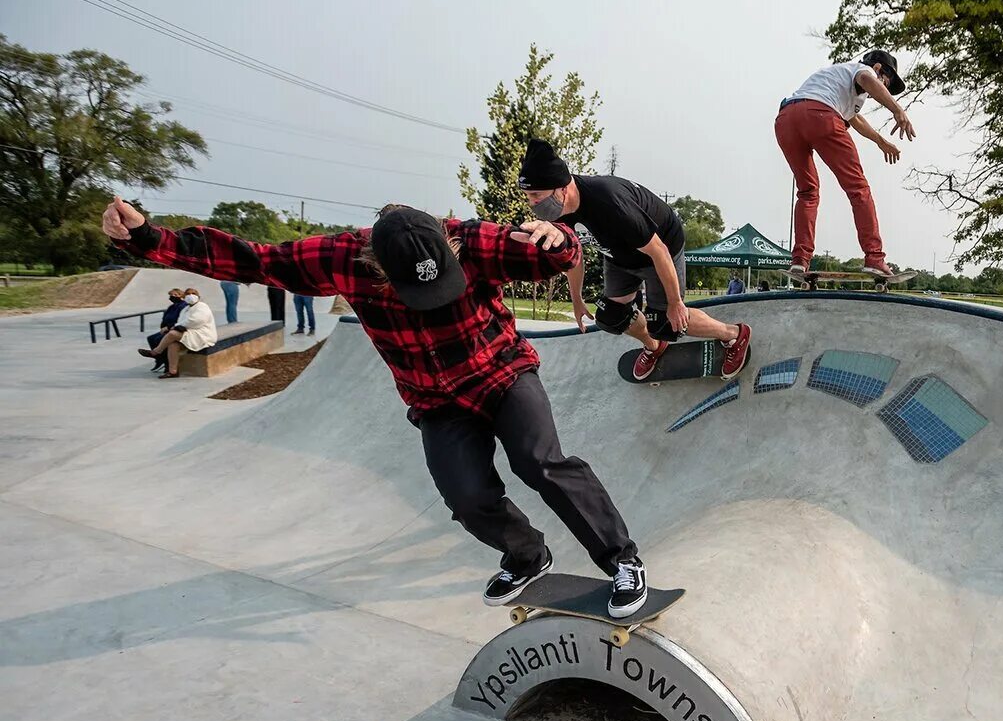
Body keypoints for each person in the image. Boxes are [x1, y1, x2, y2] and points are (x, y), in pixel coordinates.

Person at [101, 197, 654, 617]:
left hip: (502, 372)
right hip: (436, 399)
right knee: (466, 497)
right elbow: (252, 259)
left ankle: (621, 558)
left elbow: (554, 256)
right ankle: (527, 555)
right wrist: (149, 238)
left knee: (540, 461)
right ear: (374, 262)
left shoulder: (474, 240)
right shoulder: (341, 258)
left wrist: (558, 239)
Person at [518, 139, 752, 383]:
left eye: (536, 195)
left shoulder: (609, 203)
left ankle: (734, 334)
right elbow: (575, 257)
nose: (533, 204)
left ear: (562, 188)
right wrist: (577, 300)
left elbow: (659, 251)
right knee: (611, 317)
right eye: (528, 197)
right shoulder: (559, 212)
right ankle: (654, 346)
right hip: (619, 256)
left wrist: (674, 303)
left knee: (668, 322)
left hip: (659, 250)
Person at [775, 50, 915, 280]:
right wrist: (898, 110)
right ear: (879, 68)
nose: (880, 91)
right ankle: (875, 258)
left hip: (786, 120)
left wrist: (881, 142)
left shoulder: (838, 81)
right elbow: (868, 80)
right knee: (858, 189)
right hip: (820, 116)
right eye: (886, 83)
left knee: (808, 191)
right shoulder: (864, 71)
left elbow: (855, 119)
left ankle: (800, 261)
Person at [138, 287, 216, 378]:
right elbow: (180, 321)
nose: (191, 296)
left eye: (193, 294)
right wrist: (176, 326)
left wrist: (175, 327)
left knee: (172, 334)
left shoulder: (202, 306)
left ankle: (155, 352)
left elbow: (196, 321)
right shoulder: (186, 309)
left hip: (201, 335)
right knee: (173, 344)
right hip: (190, 333)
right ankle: (173, 371)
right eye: (188, 294)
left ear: (198, 296)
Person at [144, 287, 187, 371]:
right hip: (167, 329)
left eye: (175, 295)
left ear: (181, 295)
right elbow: (164, 319)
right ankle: (159, 360)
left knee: (158, 340)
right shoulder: (171, 307)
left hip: (176, 329)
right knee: (151, 338)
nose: (172, 296)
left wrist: (169, 327)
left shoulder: (183, 306)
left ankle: (167, 363)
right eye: (171, 295)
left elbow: (180, 320)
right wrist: (163, 327)